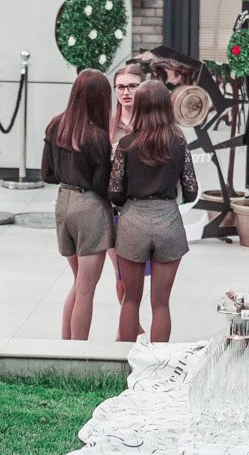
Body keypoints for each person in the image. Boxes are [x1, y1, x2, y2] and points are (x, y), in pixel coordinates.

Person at [109, 82, 198, 342]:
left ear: (139, 107)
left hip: (133, 221)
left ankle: (124, 360)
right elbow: (191, 189)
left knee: (130, 299)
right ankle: (159, 362)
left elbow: (114, 191)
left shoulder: (126, 144)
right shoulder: (178, 144)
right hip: (168, 221)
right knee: (161, 303)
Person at [41, 69, 114, 340]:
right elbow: (101, 186)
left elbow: (47, 174)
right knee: (86, 290)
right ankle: (78, 352)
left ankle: (66, 346)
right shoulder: (97, 137)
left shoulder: (55, 125)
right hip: (89, 208)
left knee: (78, 283)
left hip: (63, 203)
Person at [107, 64, 147, 321]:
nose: (126, 92)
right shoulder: (108, 124)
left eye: (132, 86)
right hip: (113, 207)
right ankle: (131, 326)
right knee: (121, 273)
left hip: (143, 207)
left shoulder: (151, 123)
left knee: (141, 274)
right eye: (120, 87)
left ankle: (130, 326)